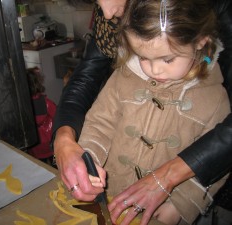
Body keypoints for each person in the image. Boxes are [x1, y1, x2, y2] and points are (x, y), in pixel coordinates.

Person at [52, 0, 232, 224]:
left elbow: (215, 165)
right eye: (143, 57)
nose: (155, 70)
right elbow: (99, 123)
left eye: (168, 59)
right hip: (113, 194)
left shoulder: (216, 100)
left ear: (200, 41)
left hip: (160, 208)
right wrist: (90, 159)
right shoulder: (123, 77)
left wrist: (181, 204)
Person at [26, 67, 57, 166]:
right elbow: (57, 116)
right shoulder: (46, 103)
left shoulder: (23, 106)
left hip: (35, 145)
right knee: (56, 164)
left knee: (41, 166)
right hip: (49, 143)